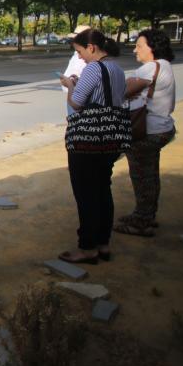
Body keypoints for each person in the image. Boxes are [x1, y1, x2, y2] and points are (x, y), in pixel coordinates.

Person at [58, 29, 126, 264]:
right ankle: (103, 243)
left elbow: (76, 104)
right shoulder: (117, 68)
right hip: (111, 137)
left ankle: (87, 247)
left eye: (79, 52)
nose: (80, 58)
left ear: (92, 47)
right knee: (102, 190)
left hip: (88, 139)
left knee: (86, 194)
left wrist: (70, 85)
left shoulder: (93, 68)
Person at [115, 29, 177, 237]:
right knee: (150, 174)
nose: (135, 50)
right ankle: (146, 215)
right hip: (162, 128)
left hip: (148, 130)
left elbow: (123, 91)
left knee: (141, 175)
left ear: (153, 48)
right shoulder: (164, 65)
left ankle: (142, 221)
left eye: (139, 46)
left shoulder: (149, 68)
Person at [62, 25, 90, 115]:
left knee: (75, 124)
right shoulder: (77, 53)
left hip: (77, 97)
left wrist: (70, 84)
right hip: (73, 94)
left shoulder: (88, 58)